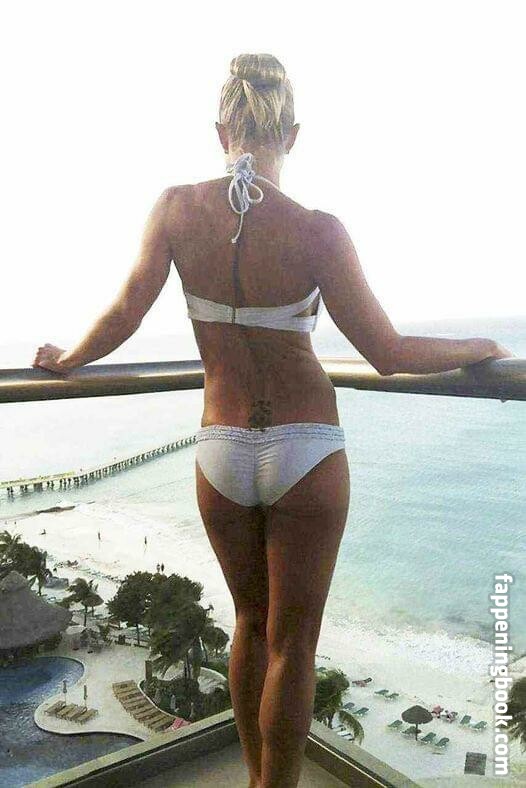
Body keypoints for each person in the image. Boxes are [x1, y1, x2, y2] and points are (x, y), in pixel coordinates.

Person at [31, 52, 515, 788]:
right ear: (293, 133)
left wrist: (69, 358)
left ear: (219, 130)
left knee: (249, 626)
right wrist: (482, 347)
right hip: (305, 446)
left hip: (221, 447)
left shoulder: (174, 208)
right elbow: (388, 353)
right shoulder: (318, 231)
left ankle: (253, 776)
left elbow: (127, 311)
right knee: (294, 643)